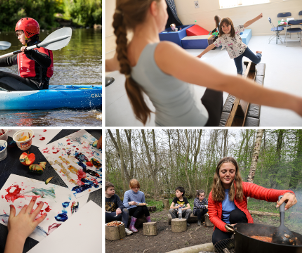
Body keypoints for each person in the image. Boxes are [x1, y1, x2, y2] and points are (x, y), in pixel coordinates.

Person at [106, 0, 302, 126]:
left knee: (223, 81)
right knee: (221, 83)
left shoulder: (124, 52)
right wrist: (293, 103)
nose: (167, 15)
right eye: (166, 9)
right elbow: (229, 82)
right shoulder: (163, 51)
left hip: (163, 123)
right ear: (153, 8)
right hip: (200, 122)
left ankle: (257, 57)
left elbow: (106, 65)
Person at [208, 157, 297, 249]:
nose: (227, 174)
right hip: (224, 224)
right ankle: (234, 242)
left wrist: (287, 193)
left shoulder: (242, 187)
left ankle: (242, 239)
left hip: (241, 223)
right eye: (224, 171)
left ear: (235, 173)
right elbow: (212, 216)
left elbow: (266, 193)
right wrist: (225, 226)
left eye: (231, 171)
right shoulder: (213, 194)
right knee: (217, 242)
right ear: (218, 173)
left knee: (235, 214)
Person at [198, 15, 263, 75]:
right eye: (223, 26)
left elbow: (246, 24)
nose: (225, 28)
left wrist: (257, 17)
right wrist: (200, 55)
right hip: (236, 55)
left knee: (257, 60)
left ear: (231, 25)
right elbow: (211, 46)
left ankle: (259, 53)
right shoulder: (221, 38)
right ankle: (240, 83)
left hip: (244, 49)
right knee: (239, 72)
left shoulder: (235, 30)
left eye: (227, 25)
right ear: (221, 27)